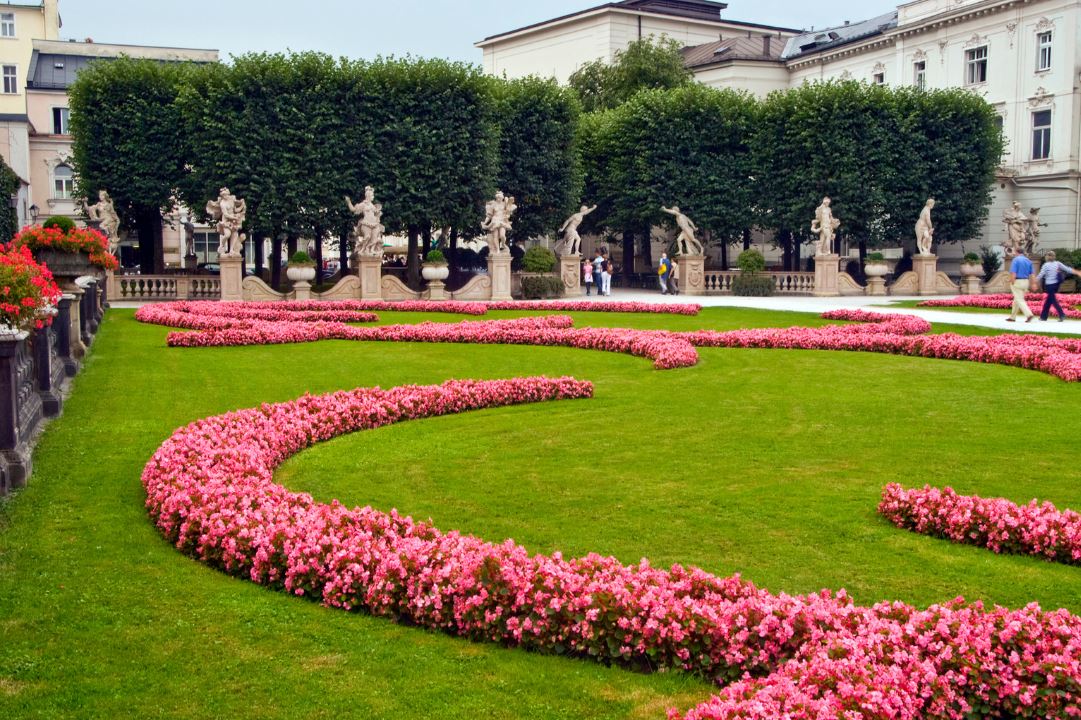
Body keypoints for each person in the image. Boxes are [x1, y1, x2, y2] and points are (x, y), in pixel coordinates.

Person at [1033, 250, 1081, 322]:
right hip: (1056, 285)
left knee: (1053, 300)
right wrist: (1077, 272)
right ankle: (1043, 317)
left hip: (1049, 285)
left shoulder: (1046, 265)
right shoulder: (1058, 263)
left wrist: (1034, 282)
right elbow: (1067, 269)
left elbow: (1041, 275)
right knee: (1048, 300)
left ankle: (1062, 314)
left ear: (1047, 257)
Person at [1006, 249, 1035, 323]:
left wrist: (1012, 281)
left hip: (1018, 281)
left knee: (1019, 299)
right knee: (1017, 299)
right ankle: (1013, 317)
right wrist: (1033, 283)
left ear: (1016, 252)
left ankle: (1029, 314)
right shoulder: (1028, 260)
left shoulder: (1016, 260)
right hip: (1026, 281)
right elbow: (1032, 274)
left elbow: (1013, 272)